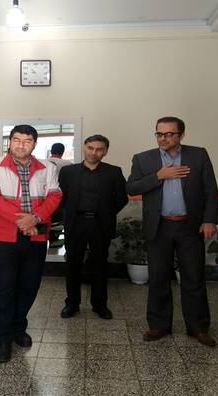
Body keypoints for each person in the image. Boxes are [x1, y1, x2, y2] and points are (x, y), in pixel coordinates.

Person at [126, 116, 218, 347]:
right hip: (159, 226)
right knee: (158, 278)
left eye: (169, 134)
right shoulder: (143, 158)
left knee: (194, 277)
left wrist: (209, 220)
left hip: (189, 226)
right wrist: (158, 176)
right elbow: (131, 187)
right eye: (159, 134)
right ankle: (159, 325)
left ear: (181, 135)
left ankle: (198, 328)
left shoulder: (198, 155)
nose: (163, 138)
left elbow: (210, 190)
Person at [0, 125, 62, 363]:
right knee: (5, 287)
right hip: (4, 236)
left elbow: (55, 196)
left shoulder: (48, 167)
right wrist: (24, 221)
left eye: (27, 141)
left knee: (29, 285)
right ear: (10, 141)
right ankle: (2, 339)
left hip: (36, 234)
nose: (21, 145)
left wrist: (34, 218)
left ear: (34, 144)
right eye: (16, 140)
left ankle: (18, 328)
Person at [58, 135, 128, 320]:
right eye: (90, 148)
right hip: (76, 223)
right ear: (84, 148)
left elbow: (122, 198)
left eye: (99, 149)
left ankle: (99, 305)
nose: (93, 152)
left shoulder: (113, 172)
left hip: (100, 224)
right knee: (72, 264)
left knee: (100, 265)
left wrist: (106, 213)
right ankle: (72, 304)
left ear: (105, 152)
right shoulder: (68, 172)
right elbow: (61, 198)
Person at [47, 142, 73, 244]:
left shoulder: (43, 162)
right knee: (58, 219)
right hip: (61, 196)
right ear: (62, 152)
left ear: (51, 151)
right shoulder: (68, 164)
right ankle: (54, 241)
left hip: (45, 196)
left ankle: (45, 239)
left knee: (46, 217)